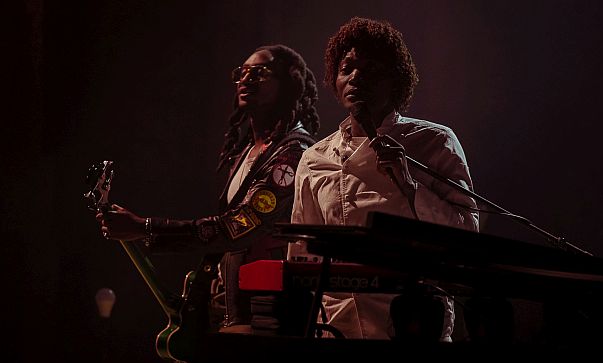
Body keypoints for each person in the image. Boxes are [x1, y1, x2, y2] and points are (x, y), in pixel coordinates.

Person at [97, 44, 320, 335]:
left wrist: (146, 227)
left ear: (290, 84)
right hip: (231, 310)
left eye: (261, 72)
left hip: (267, 317)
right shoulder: (247, 152)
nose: (247, 79)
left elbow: (239, 227)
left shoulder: (292, 153)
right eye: (243, 72)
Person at [288, 17, 479, 342]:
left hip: (415, 325)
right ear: (334, 79)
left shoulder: (433, 141)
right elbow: (301, 256)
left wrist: (411, 187)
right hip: (336, 329)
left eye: (371, 69)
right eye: (347, 68)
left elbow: (466, 231)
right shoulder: (314, 158)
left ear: (395, 80)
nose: (356, 77)